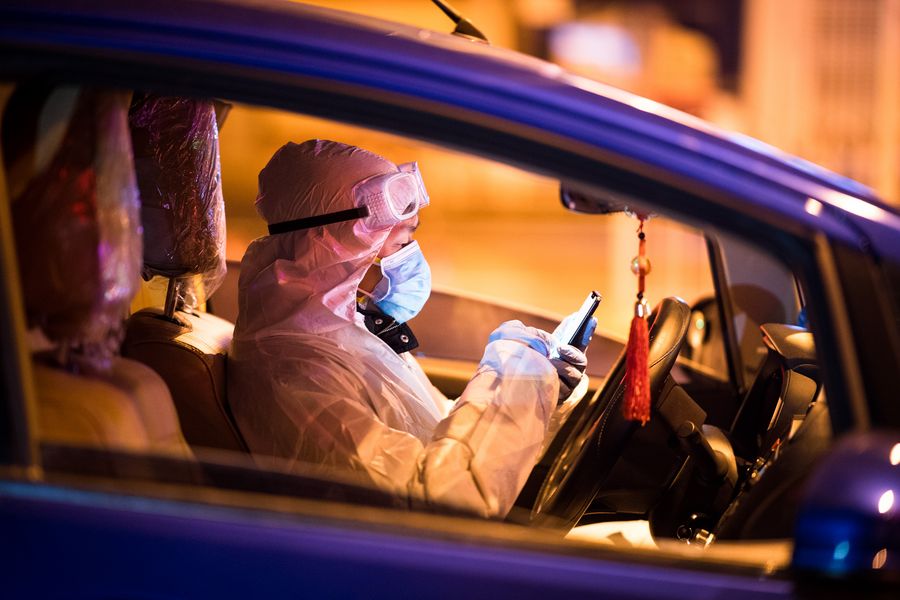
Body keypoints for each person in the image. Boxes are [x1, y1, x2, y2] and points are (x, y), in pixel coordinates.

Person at [229, 140, 592, 518]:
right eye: (402, 241)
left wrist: (542, 394)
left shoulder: (347, 335)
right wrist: (513, 375)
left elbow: (437, 428)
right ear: (336, 246)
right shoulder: (295, 370)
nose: (412, 259)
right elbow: (440, 505)